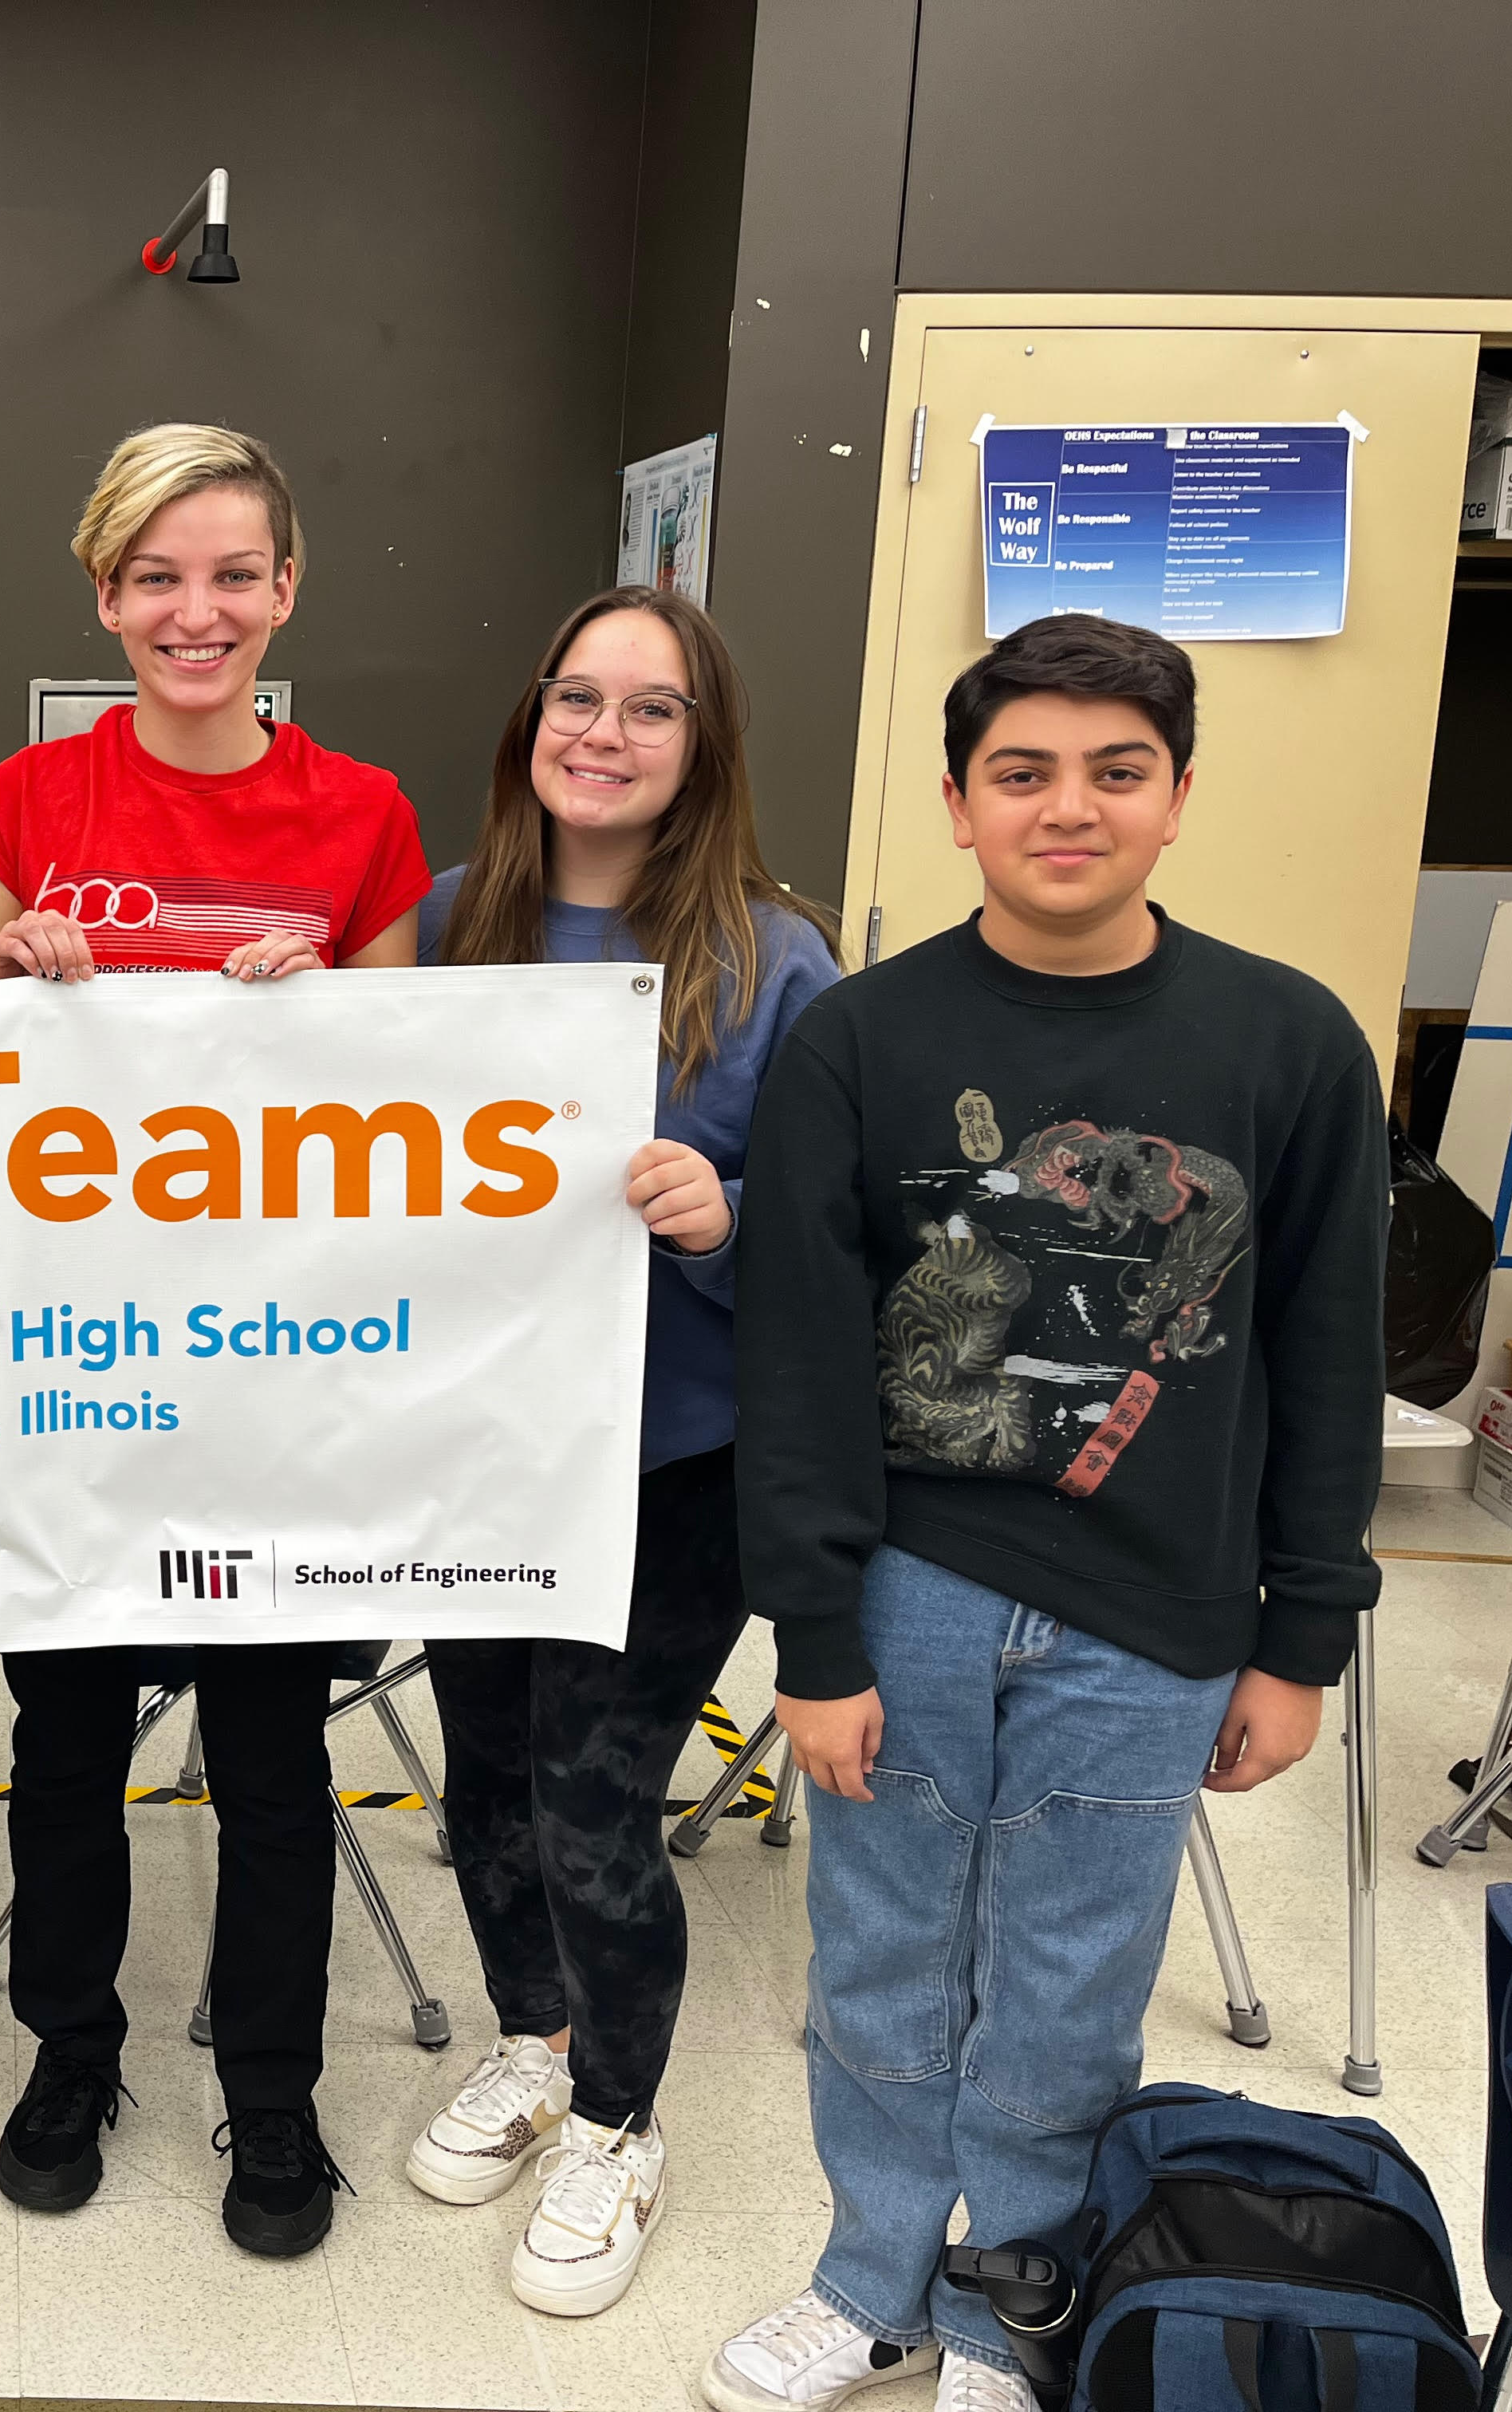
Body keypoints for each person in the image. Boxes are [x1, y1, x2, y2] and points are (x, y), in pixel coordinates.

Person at [701, 615, 1382, 2412]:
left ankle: (1014, 2308)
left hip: (1160, 1617)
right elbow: (799, 1366)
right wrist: (818, 1636)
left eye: (1114, 771)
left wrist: (1301, 1637)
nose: (1066, 807)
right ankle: (871, 2288)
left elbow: (1325, 1360)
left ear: (1175, 800)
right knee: (880, 1963)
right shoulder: (861, 1037)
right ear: (954, 802)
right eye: (1023, 772)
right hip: (912, 1590)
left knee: (1074, 1989)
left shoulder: (1290, 1044)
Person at [0, 422, 430, 2258]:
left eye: (232, 574)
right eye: (156, 577)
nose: (195, 610)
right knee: (65, 1745)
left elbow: (406, 1134)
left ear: (285, 590)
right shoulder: (25, 808)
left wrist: (325, 1024)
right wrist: (5, 989)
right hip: (71, 1378)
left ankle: (277, 2090)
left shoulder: (362, 816)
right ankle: (73, 2051)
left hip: (274, 1388)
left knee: (270, 1757)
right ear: (104, 596)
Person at [400, 589, 837, 2315]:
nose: (603, 731)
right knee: (488, 1778)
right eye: (577, 696)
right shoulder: (447, 926)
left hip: (676, 1466)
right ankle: (532, 2034)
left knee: (595, 1798)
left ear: (702, 745)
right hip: (477, 1447)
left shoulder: (776, 961)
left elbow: (847, 1252)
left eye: (649, 709)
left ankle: (618, 2118)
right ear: (532, 721)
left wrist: (724, 1218)